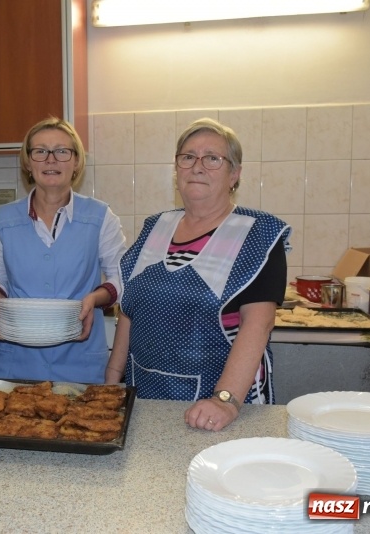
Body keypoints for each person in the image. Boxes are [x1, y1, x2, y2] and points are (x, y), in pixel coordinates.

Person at [106, 118, 291, 431]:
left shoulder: (258, 234)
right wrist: (111, 381)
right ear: (177, 170)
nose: (197, 166)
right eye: (187, 157)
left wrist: (225, 400)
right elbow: (129, 309)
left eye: (213, 158)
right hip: (144, 398)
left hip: (222, 407)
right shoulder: (155, 227)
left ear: (235, 174)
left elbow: (259, 324)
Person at [0, 117, 127, 384]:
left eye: (62, 151)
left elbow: (121, 277)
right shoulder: (3, 220)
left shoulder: (101, 217)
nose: (51, 160)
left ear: (76, 162)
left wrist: (94, 299)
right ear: (28, 162)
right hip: (15, 363)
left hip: (79, 361)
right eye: (40, 151)